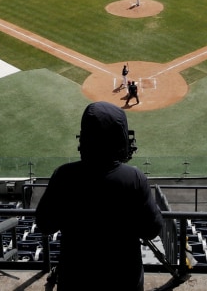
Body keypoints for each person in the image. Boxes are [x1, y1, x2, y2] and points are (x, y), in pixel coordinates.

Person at [36, 102, 162, 290]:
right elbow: (152, 229)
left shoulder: (63, 175)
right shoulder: (135, 178)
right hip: (124, 280)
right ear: (120, 140)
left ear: (84, 139)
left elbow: (45, 224)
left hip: (76, 279)